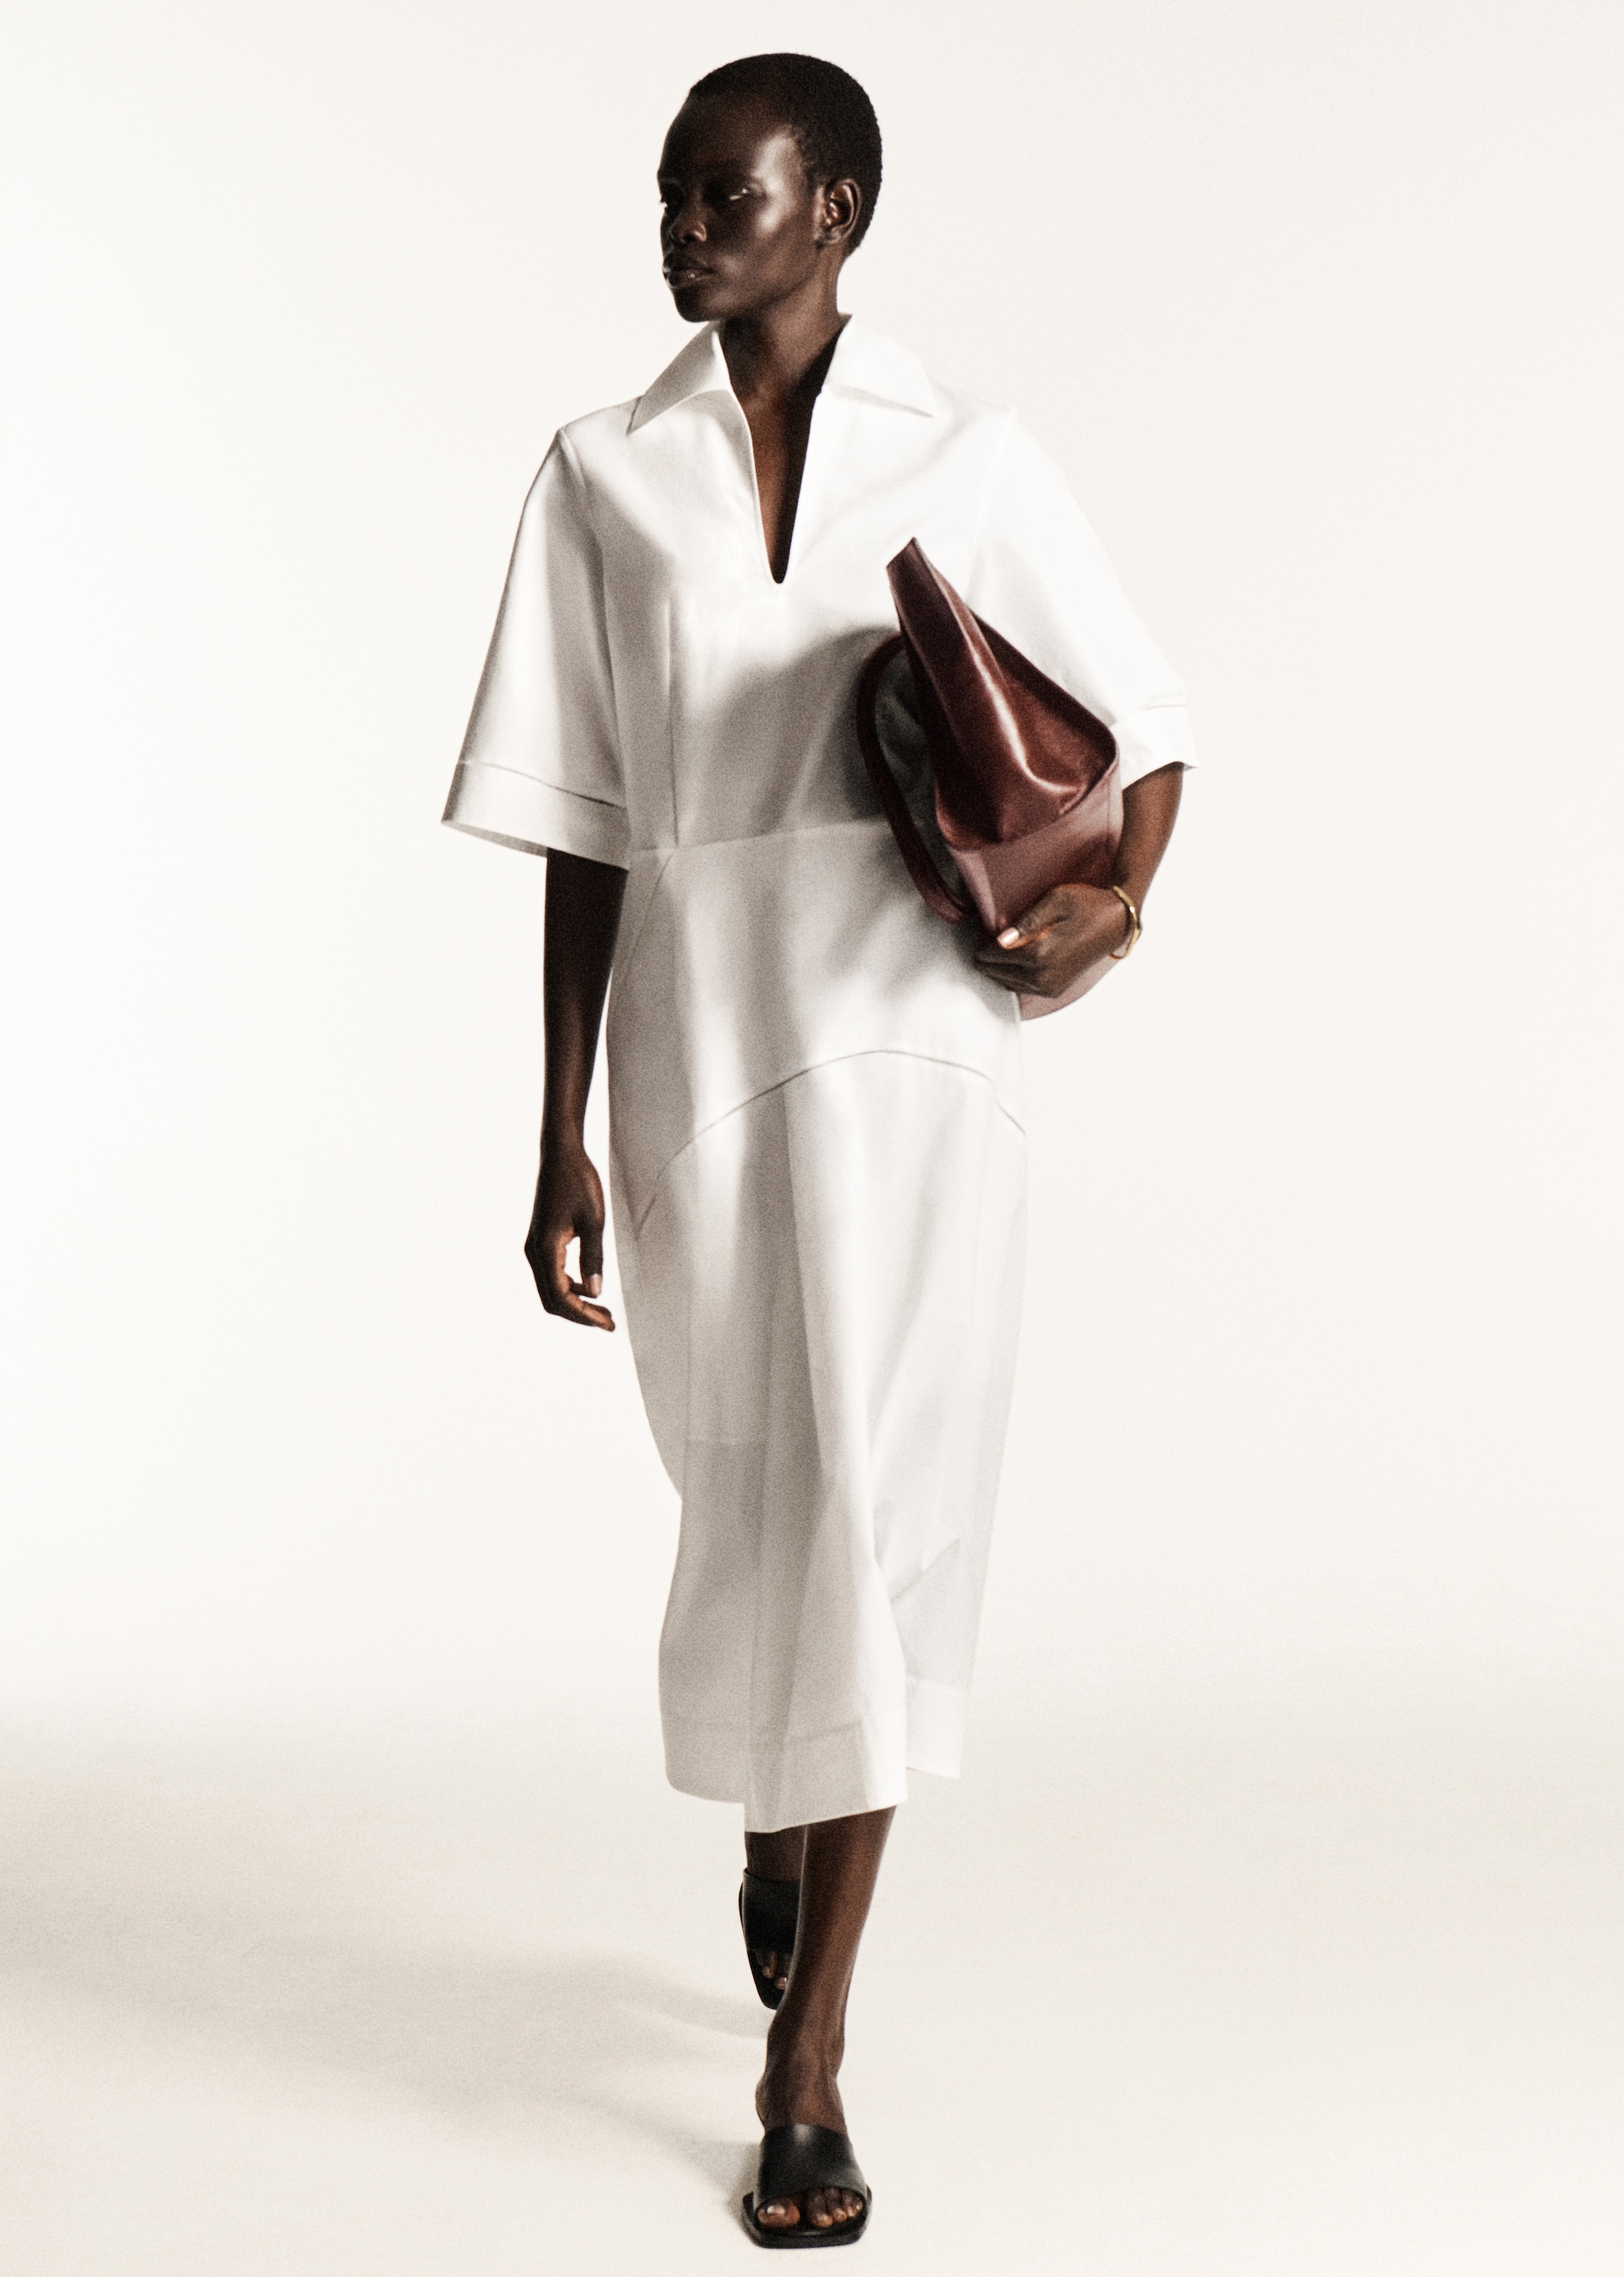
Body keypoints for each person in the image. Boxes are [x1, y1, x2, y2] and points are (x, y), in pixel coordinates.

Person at [443, 51, 1194, 2245]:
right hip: (705, 1049)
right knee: (754, 1483)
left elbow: (1148, 736)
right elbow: (584, 824)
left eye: (726, 196)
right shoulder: (603, 472)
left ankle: (808, 2065)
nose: (683, 232)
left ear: (837, 206)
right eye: (670, 197)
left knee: (878, 1508)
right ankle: (779, 1832)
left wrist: (1109, 921)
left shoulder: (969, 451)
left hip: (916, 1046)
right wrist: (558, 1126)